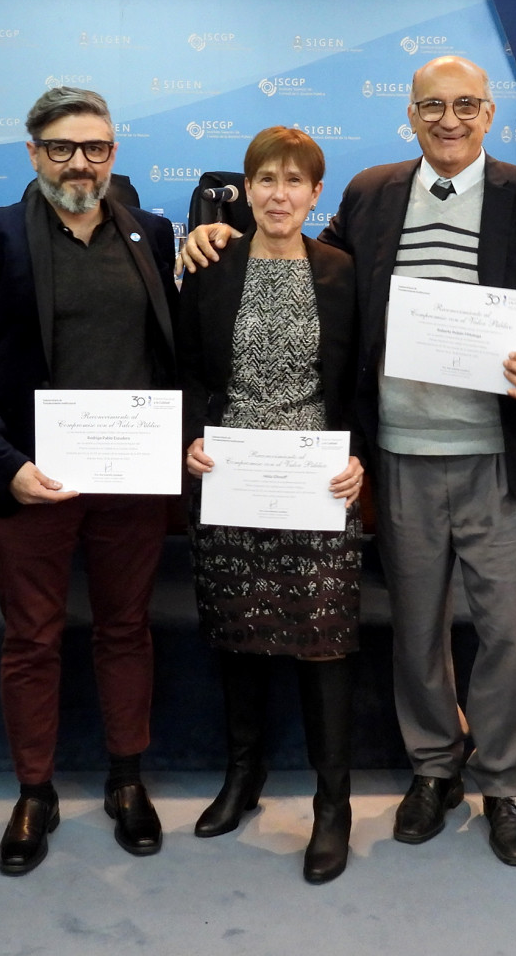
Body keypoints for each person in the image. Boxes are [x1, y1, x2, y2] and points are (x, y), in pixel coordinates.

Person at [182, 56, 516, 866]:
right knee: (415, 629)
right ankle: (433, 769)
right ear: (408, 114)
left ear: (489, 114)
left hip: (499, 453)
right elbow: (300, 261)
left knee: (509, 632)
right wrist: (212, 232)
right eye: (431, 106)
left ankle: (502, 780)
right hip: (399, 450)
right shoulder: (371, 193)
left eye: (465, 105)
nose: (448, 119)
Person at [0, 86, 178, 875]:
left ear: (115, 152)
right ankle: (34, 790)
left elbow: (170, 352)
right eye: (63, 147)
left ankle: (125, 779)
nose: (81, 163)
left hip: (132, 480)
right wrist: (6, 467)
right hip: (31, 480)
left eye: (97, 148)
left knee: (125, 629)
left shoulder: (151, 232)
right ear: (33, 151)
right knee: (32, 637)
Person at [179, 127, 364, 884]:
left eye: (294, 181)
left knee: (323, 643)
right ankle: (242, 777)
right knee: (236, 633)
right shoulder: (210, 265)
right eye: (264, 180)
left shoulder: (343, 273)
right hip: (231, 479)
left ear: (316, 193)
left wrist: (358, 458)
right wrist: (188, 437)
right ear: (244, 190)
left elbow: (358, 377)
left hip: (318, 483)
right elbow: (186, 365)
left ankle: (332, 806)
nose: (279, 194)